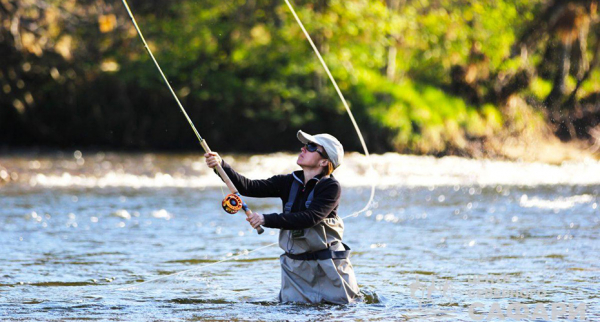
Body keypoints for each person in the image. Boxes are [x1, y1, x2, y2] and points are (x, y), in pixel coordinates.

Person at [205, 130, 360, 304]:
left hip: (329, 268)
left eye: (311, 147)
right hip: (295, 270)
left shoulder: (331, 187)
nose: (303, 148)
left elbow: (311, 218)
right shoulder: (287, 181)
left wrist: (266, 219)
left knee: (341, 311)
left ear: (324, 161)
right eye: (305, 145)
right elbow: (248, 187)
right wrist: (221, 166)